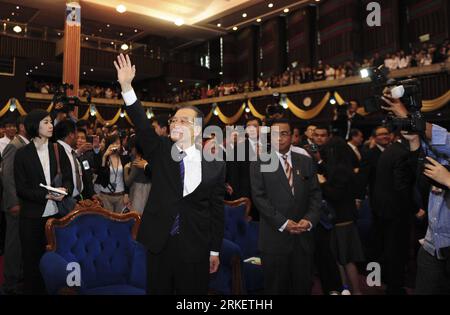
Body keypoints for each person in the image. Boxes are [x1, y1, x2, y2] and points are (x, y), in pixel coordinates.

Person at [114, 53, 225, 294]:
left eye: (183, 121)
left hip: (195, 246)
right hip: (160, 242)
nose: (175, 123)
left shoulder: (215, 163)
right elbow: (142, 124)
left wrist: (214, 250)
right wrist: (126, 86)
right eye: (174, 119)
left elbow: (216, 210)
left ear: (197, 129)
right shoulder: (162, 150)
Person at [250, 118, 322, 294]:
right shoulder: (260, 162)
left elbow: (315, 195)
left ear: (292, 136)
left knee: (303, 286)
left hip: (303, 238)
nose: (279, 138)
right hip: (274, 239)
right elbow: (259, 198)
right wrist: (283, 223)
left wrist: (309, 219)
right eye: (275, 134)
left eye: (284, 133)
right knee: (276, 289)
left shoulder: (305, 161)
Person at [14, 109, 72, 294]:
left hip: (56, 216)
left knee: (54, 262)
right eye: (46, 122)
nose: (50, 125)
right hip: (31, 217)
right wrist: (45, 195)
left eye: (51, 122)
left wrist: (65, 190)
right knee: (32, 264)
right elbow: (21, 189)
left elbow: (68, 178)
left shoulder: (57, 148)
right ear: (34, 125)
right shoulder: (22, 154)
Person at [320, 137, 365, 295]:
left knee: (344, 259)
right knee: (342, 259)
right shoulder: (344, 167)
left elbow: (335, 194)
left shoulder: (340, 170)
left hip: (342, 220)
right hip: (345, 219)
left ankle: (353, 291)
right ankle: (347, 290)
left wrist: (322, 184)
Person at [1, 116, 28, 294]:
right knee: (13, 243)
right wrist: (13, 202)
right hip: (15, 204)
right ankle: (10, 282)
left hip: (24, 202)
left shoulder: (25, 144)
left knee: (20, 242)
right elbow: (7, 176)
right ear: (23, 127)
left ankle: (18, 277)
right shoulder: (14, 145)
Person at [54, 120, 98, 202]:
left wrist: (92, 194)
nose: (78, 139)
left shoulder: (72, 153)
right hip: (64, 200)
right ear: (71, 135)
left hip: (78, 198)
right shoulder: (57, 150)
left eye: (83, 138)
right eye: (77, 135)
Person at [97, 134, 131, 213]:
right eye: (114, 143)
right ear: (109, 145)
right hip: (105, 195)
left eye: (118, 143)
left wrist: (126, 194)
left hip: (120, 195)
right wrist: (104, 157)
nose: (116, 146)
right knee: (107, 222)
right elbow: (101, 177)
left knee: (120, 221)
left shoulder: (124, 158)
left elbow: (127, 178)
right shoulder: (104, 157)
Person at [124, 136, 151, 215]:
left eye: (132, 148)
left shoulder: (137, 161)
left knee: (136, 219)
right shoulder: (147, 159)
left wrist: (125, 169)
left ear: (135, 148)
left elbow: (128, 182)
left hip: (138, 193)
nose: (131, 150)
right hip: (147, 192)